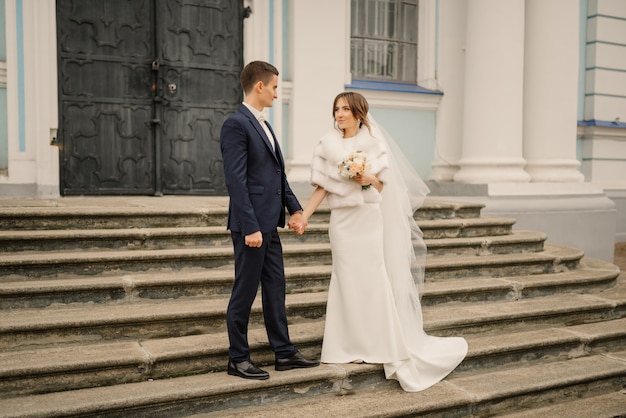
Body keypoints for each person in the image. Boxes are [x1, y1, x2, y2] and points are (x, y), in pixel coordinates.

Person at [297, 91, 468, 392]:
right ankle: (345, 345)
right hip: (342, 223)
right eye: (336, 109)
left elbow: (386, 184)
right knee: (345, 278)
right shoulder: (327, 145)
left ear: (358, 113)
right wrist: (304, 216)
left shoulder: (374, 144)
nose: (339, 114)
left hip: (368, 220)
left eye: (346, 109)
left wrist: (368, 179)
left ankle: (377, 343)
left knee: (372, 278)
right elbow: (322, 189)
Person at [220, 61, 319, 380]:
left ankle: (284, 352)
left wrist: (296, 209)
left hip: (269, 224)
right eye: (275, 87)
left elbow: (277, 175)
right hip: (251, 227)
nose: (278, 94)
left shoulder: (265, 124)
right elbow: (236, 181)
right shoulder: (236, 124)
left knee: (276, 289)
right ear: (259, 86)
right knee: (245, 291)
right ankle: (237, 358)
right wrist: (250, 226)